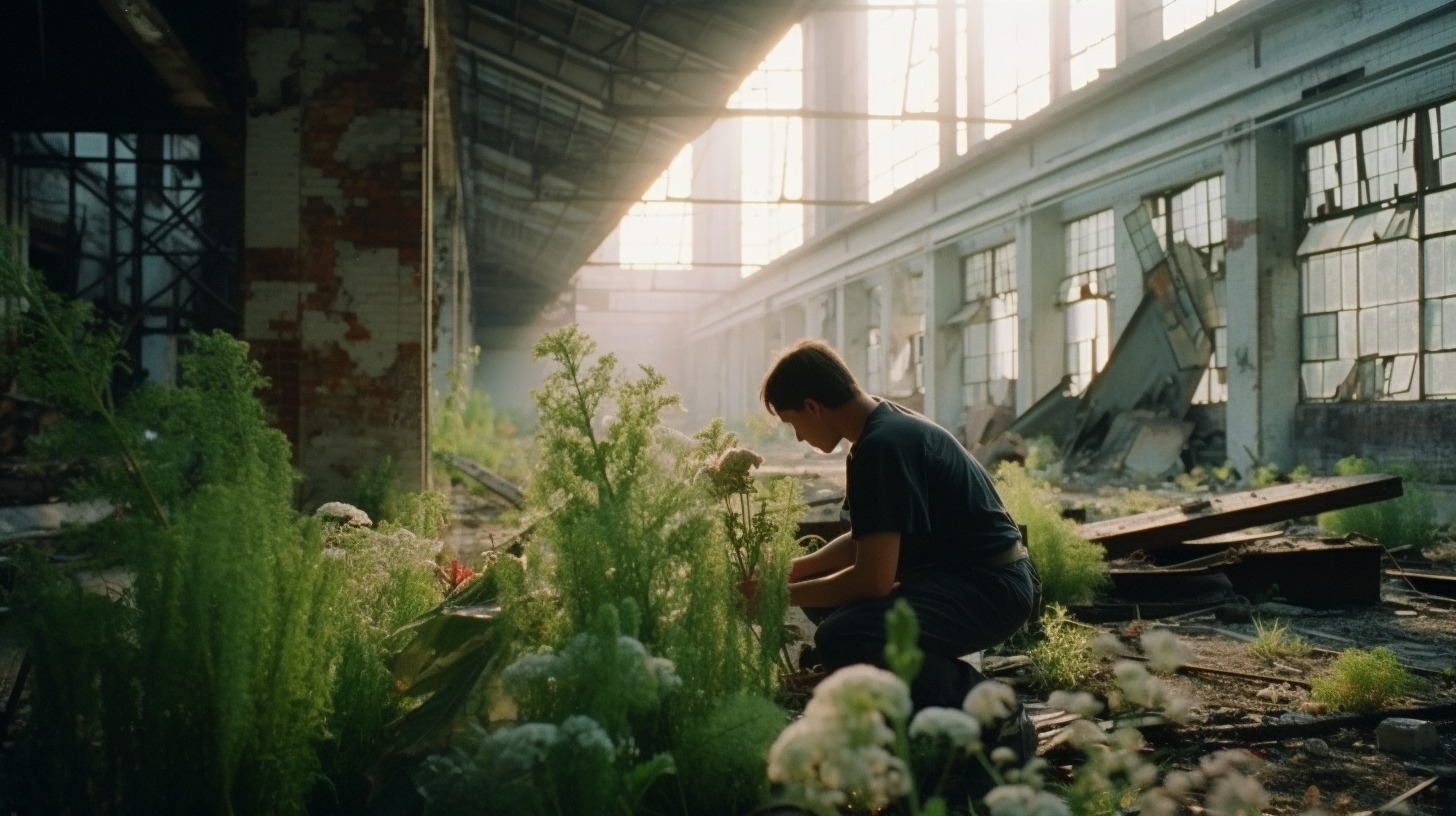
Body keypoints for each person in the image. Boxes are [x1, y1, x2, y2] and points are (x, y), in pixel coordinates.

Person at [756, 338, 1040, 722]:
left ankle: (992, 713)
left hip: (991, 587)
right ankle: (899, 692)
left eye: (793, 424)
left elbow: (872, 580)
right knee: (827, 595)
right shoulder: (880, 428)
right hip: (970, 578)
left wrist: (776, 596)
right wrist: (792, 571)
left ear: (813, 407)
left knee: (844, 636)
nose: (799, 438)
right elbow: (868, 540)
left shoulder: (883, 446)